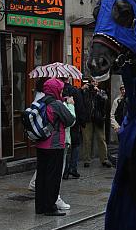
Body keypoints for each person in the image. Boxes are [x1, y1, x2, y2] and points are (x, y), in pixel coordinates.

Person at [34, 78, 75, 216]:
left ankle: (39, 206)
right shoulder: (57, 104)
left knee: (42, 175)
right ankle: (50, 207)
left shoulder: (40, 101)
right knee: (53, 177)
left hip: (41, 143)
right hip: (55, 144)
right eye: (61, 89)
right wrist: (69, 104)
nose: (62, 92)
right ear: (55, 90)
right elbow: (70, 120)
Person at [82, 77, 112, 168]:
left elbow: (105, 100)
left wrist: (98, 92)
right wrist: (82, 89)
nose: (94, 83)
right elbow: (80, 99)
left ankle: (104, 159)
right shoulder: (86, 91)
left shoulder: (101, 92)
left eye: (96, 82)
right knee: (87, 139)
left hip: (99, 118)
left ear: (98, 83)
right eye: (92, 82)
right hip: (88, 118)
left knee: (101, 138)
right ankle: (86, 160)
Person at [63, 80, 87, 179]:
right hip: (75, 122)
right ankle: (73, 168)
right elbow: (80, 107)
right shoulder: (75, 91)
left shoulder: (59, 90)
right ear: (68, 79)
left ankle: (65, 170)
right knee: (75, 144)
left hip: (62, 122)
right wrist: (82, 121)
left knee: (65, 146)